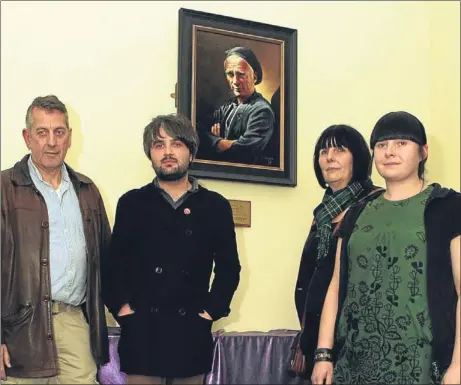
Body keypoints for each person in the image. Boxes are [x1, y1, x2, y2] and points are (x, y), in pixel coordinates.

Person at [312, 111, 460, 385]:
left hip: (422, 364)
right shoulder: (356, 212)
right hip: (354, 361)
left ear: (423, 152)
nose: (389, 152)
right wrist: (323, 353)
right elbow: (336, 284)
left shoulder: (447, 206)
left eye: (401, 143)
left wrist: (459, 365)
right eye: (381, 145)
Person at [103, 114, 241, 384]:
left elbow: (229, 268)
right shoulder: (132, 203)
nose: (167, 152)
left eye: (176, 144)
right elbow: (112, 266)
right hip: (142, 334)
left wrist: (211, 311)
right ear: (150, 154)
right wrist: (123, 310)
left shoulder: (215, 206)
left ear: (190, 152)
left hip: (190, 332)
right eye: (158, 145)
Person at [1, 95, 110, 383]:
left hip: (74, 321)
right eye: (42, 132)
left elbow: (107, 262)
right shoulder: (4, 188)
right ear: (27, 137)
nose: (51, 142)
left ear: (69, 138)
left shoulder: (87, 191)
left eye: (59, 132)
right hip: (18, 330)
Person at [294, 124, 379, 380]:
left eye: (339, 150)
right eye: (323, 151)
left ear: (359, 157)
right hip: (316, 339)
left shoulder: (374, 205)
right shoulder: (322, 213)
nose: (329, 157)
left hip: (354, 342)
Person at [199, 46, 275, 165]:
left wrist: (214, 144)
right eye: (230, 74)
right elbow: (198, 131)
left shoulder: (261, 111)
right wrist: (220, 143)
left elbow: (243, 152)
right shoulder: (227, 107)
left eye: (241, 74)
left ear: (254, 77)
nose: (235, 81)